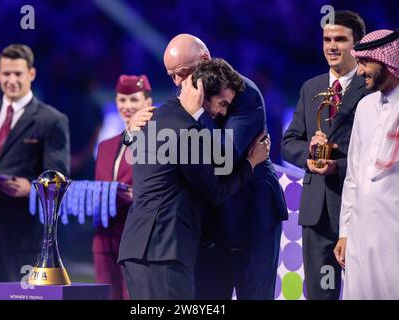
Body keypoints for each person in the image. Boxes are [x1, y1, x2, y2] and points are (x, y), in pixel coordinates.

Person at [129, 34, 287, 299]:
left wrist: (196, 116)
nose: (178, 82)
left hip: (252, 218)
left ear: (203, 60)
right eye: (171, 76)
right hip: (210, 225)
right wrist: (131, 133)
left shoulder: (243, 93)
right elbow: (161, 132)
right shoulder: (189, 94)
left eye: (181, 72)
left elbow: (222, 158)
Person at [0, 44, 70, 300]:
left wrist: (32, 188)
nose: (11, 80)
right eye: (6, 74)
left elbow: (59, 178)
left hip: (26, 235)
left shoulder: (51, 120)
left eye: (17, 74)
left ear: (31, 74)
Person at [281, 11, 369, 299]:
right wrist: (308, 152)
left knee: (364, 290)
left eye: (340, 39)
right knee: (322, 292)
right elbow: (289, 142)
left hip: (358, 210)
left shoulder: (371, 88)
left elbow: (376, 154)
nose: (332, 46)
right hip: (317, 213)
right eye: (327, 39)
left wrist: (338, 166)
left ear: (357, 44)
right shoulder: (312, 87)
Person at [334, 29, 399, 299]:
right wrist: (345, 231)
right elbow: (354, 176)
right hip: (360, 232)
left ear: (387, 62)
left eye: (364, 63)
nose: (359, 71)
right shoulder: (365, 107)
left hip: (393, 232)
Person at [93, 74, 153, 300]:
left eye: (133, 100)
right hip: (105, 239)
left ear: (148, 103)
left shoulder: (158, 142)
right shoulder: (105, 146)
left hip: (140, 239)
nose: (127, 106)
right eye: (122, 100)